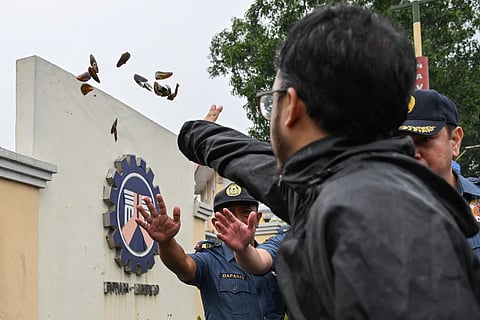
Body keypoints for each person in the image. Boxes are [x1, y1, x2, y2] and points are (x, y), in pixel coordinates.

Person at [176, 4, 480, 319]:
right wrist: (198, 134)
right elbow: (258, 164)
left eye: (272, 103)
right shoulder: (348, 187)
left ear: (291, 107)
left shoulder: (361, 227)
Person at [135, 183, 286, 320]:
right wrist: (166, 241)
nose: (238, 221)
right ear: (217, 223)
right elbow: (182, 265)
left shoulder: (274, 256)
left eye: (246, 212)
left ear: (258, 219)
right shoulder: (210, 259)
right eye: (228, 214)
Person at [398, 89, 480, 259]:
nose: (412, 153)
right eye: (401, 142)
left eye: (425, 139)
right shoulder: (377, 212)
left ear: (455, 141)